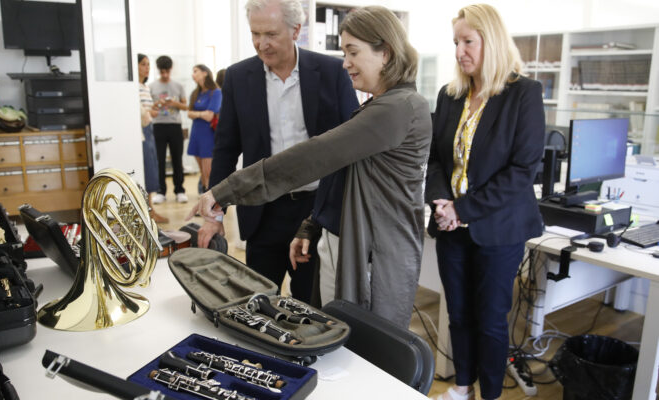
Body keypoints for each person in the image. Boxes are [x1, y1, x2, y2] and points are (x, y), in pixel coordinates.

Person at [192, 5, 431, 328]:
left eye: (353, 52)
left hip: (377, 251)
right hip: (319, 230)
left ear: (385, 53)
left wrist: (225, 191)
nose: (345, 62)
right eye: (255, 34)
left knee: (366, 346)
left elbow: (318, 155)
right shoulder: (382, 104)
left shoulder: (397, 108)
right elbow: (339, 163)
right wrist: (314, 223)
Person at [196, 0, 358, 304]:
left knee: (310, 306)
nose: (261, 44)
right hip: (262, 211)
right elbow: (226, 147)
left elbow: (350, 144)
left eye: (270, 34)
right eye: (255, 34)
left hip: (315, 212)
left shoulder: (331, 71)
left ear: (296, 29)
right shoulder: (238, 77)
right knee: (257, 304)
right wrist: (214, 213)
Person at [425, 4, 544, 400]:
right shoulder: (450, 95)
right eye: (456, 42)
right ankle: (462, 387)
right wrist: (442, 202)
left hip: (498, 228)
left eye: (467, 41)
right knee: (458, 314)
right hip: (451, 226)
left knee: (491, 321)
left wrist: (463, 209)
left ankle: (490, 394)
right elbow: (437, 159)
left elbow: (523, 170)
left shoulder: (523, 94)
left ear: (490, 41)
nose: (459, 51)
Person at [150, 55, 188, 204]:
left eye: (167, 72)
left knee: (177, 159)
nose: (164, 75)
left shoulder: (178, 86)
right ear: (159, 70)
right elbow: (149, 108)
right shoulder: (152, 86)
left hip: (175, 126)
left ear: (171, 70)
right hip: (158, 125)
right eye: (162, 72)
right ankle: (161, 191)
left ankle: (179, 190)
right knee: (159, 160)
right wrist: (158, 104)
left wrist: (174, 103)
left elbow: (186, 106)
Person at [137, 53, 169, 224]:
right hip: (141, 131)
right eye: (143, 64)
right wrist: (151, 112)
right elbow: (140, 112)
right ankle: (147, 211)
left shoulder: (144, 86)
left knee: (151, 168)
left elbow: (146, 109)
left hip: (148, 129)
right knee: (147, 169)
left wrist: (154, 107)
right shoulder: (134, 86)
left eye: (148, 64)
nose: (146, 67)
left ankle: (150, 209)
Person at [187, 64, 222, 193]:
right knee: (202, 172)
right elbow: (189, 113)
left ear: (205, 73)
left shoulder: (216, 92)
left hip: (208, 135)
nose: (193, 74)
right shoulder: (196, 93)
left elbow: (209, 116)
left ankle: (212, 201)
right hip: (196, 133)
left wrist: (197, 114)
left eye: (195, 71)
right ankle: (204, 198)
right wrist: (201, 114)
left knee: (208, 172)